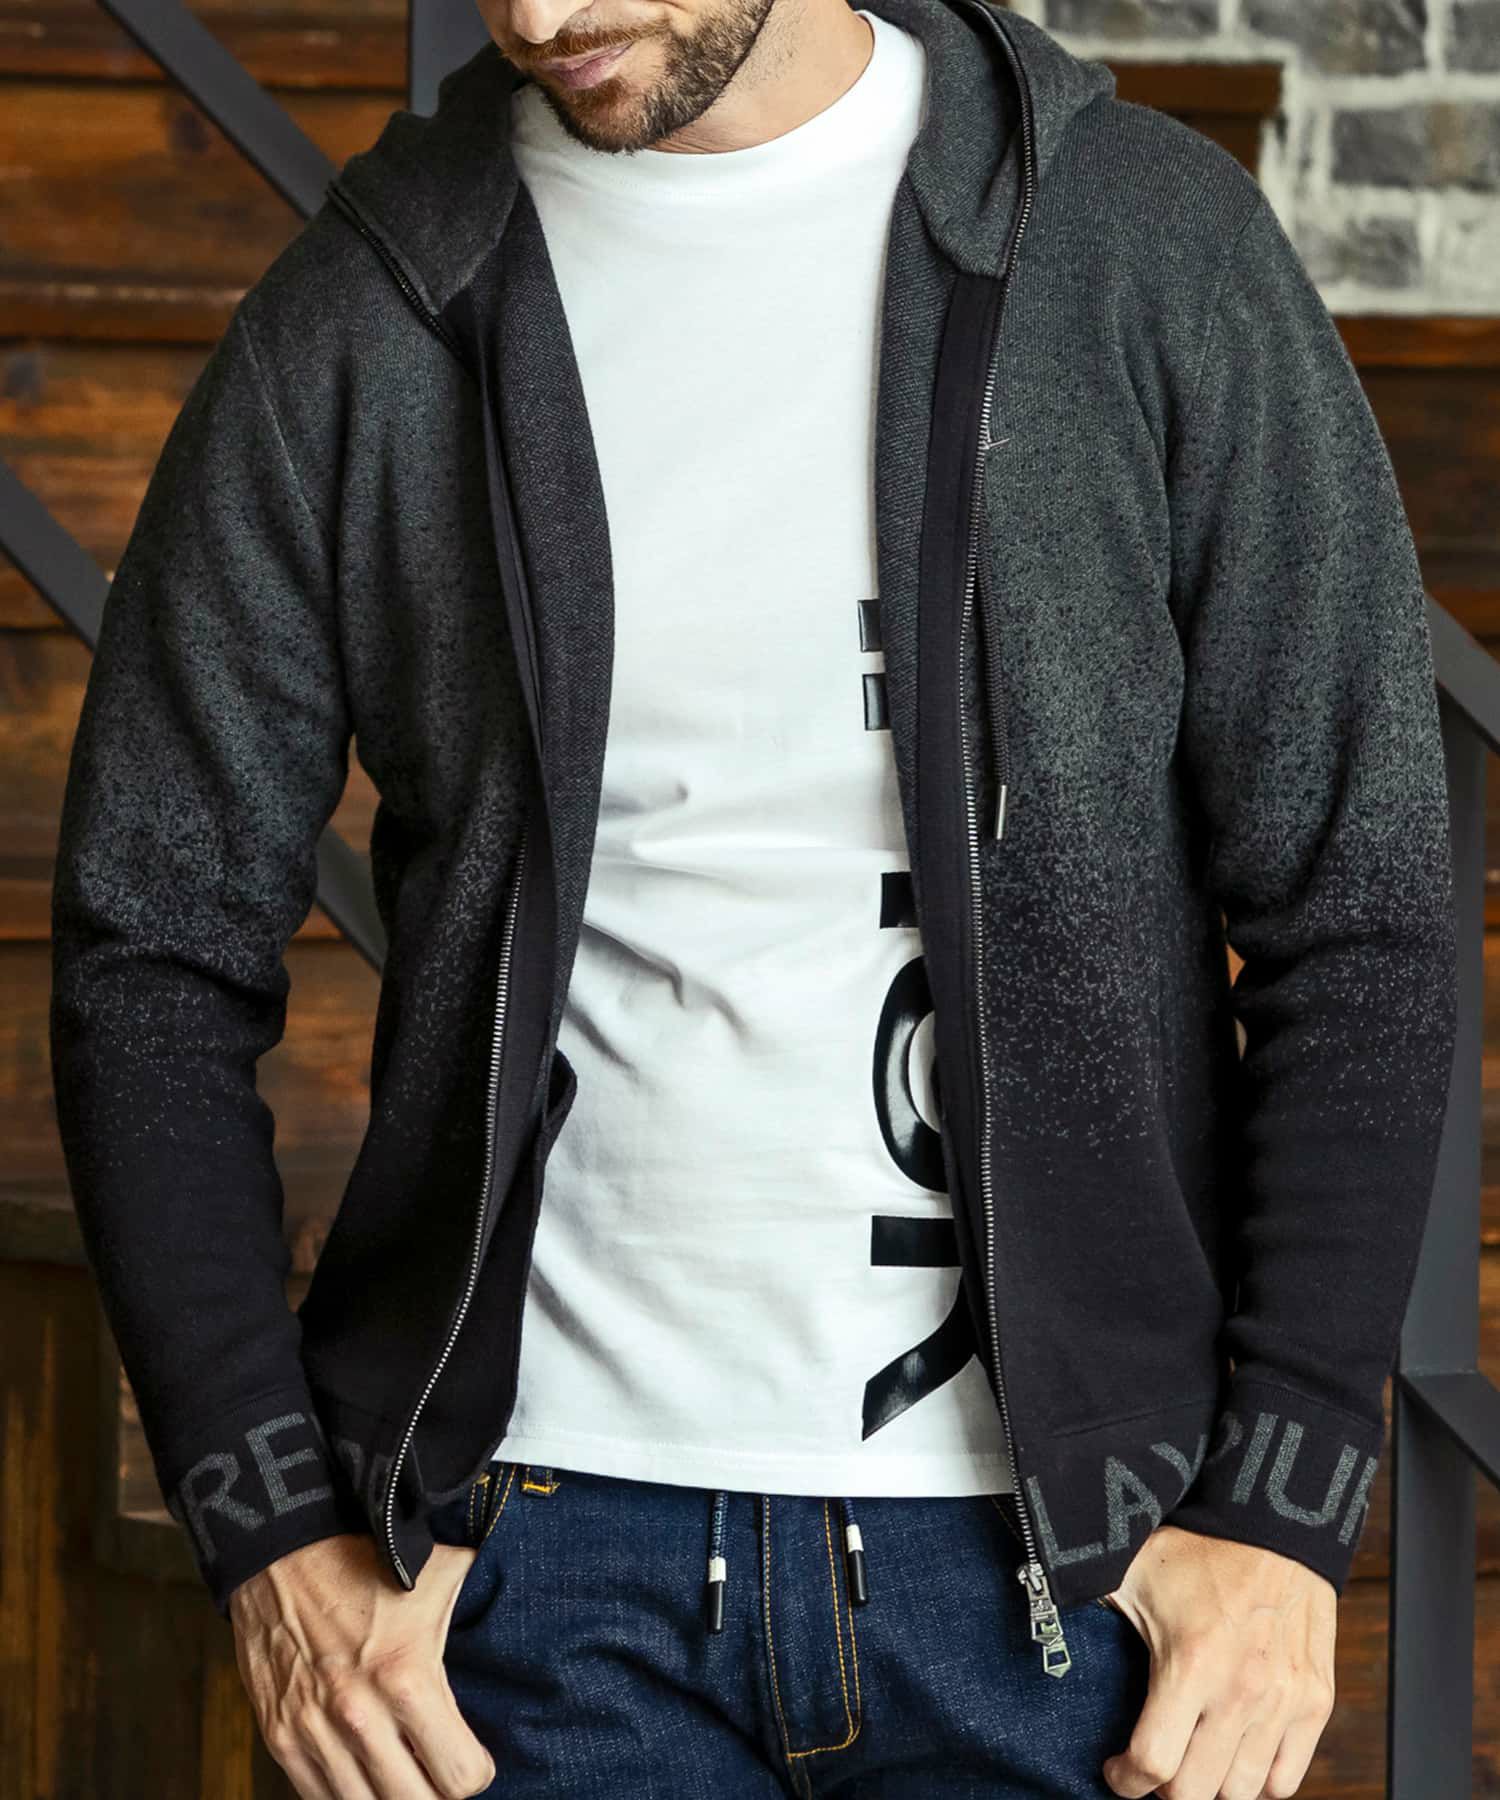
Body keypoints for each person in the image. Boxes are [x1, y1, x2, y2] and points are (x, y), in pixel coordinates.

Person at [48, 0, 1458, 1790]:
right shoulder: (375, 304)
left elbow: (1360, 907)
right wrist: (264, 1527)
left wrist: (1283, 1500)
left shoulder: (1134, 246)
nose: (536, 17)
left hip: (1060, 1598)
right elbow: (151, 943)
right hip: (526, 1595)